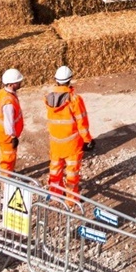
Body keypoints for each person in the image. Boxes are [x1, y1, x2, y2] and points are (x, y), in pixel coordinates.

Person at [45, 65, 94, 204]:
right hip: (72, 144)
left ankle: (55, 195)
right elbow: (81, 122)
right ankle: (71, 200)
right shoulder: (74, 100)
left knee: (55, 170)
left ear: (56, 80)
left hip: (55, 143)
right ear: (70, 80)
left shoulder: (49, 98)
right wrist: (88, 140)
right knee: (72, 173)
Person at [0, 68, 24, 172]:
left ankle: (10, 172)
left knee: (9, 156)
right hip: (6, 136)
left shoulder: (4, 93)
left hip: (1, 133)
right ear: (11, 84)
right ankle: (6, 180)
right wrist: (13, 137)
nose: (20, 84)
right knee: (8, 158)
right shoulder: (8, 102)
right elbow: (8, 122)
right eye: (18, 82)